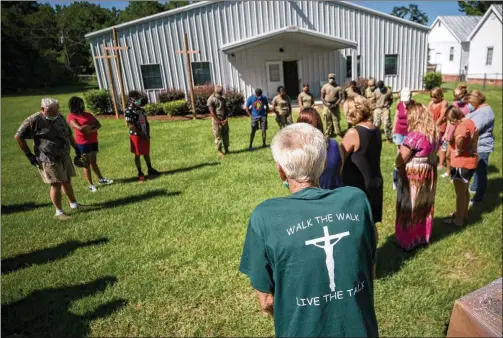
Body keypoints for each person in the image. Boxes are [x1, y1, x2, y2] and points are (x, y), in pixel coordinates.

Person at [239, 123, 378, 337]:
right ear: (323, 164)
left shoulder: (265, 216)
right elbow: (370, 270)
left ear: (281, 171)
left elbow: (266, 300)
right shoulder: (357, 201)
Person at [14, 98, 83, 220]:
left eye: (57, 110)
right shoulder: (34, 120)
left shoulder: (59, 116)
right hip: (48, 158)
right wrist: (29, 154)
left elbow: (68, 133)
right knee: (56, 183)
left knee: (66, 180)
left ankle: (74, 204)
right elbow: (18, 136)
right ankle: (59, 212)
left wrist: (76, 148)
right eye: (51, 111)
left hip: (64, 155)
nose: (55, 113)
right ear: (43, 109)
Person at [394, 103, 439, 251]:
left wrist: (398, 165)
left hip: (415, 174)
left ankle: (407, 240)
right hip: (429, 171)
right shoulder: (433, 133)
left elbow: (401, 157)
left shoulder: (414, 136)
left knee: (410, 206)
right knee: (423, 204)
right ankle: (422, 236)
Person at [340, 95, 383, 224]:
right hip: (375, 181)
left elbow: (339, 160)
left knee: (357, 224)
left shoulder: (353, 133)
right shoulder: (375, 129)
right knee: (371, 223)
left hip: (358, 185)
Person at [67, 96, 113, 192]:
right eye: (78, 104)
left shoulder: (87, 114)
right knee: (86, 164)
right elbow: (80, 129)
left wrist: (89, 128)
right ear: (73, 105)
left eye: (81, 103)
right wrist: (90, 127)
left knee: (93, 162)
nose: (81, 105)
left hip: (93, 141)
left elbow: (98, 124)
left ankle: (101, 179)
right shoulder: (71, 116)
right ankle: (91, 185)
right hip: (82, 143)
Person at [443, 106, 478, 227]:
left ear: (454, 117)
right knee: (465, 190)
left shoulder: (461, 126)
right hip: (471, 162)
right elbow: (476, 134)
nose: (450, 122)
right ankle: (464, 213)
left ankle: (458, 220)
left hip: (460, 163)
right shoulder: (469, 121)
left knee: (460, 193)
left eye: (450, 119)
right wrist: (472, 147)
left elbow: (459, 139)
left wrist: (459, 149)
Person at [297, 108, 344, 189]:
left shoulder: (333, 145)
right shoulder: (297, 151)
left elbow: (340, 170)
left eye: (316, 127)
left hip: (334, 194)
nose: (312, 131)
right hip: (314, 197)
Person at [466, 90, 494, 204]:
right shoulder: (481, 110)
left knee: (481, 172)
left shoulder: (483, 113)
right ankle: (474, 188)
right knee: (477, 170)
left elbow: (474, 129)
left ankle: (478, 197)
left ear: (476, 101)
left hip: (481, 146)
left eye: (471, 103)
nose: (469, 106)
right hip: (477, 144)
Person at [125, 90, 160, 182]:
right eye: (137, 97)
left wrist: (147, 134)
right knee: (137, 154)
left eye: (139, 97)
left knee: (146, 153)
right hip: (136, 136)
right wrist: (142, 134)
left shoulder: (141, 109)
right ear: (132, 99)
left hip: (144, 134)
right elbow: (131, 126)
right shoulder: (128, 110)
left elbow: (145, 121)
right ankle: (140, 173)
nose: (139, 99)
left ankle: (150, 169)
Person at [441, 85, 470, 179]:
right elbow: (449, 120)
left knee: (457, 155)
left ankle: (457, 175)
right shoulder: (454, 104)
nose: (458, 99)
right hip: (451, 133)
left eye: (459, 97)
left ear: (464, 95)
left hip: (459, 133)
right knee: (448, 155)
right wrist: (446, 133)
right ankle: (448, 172)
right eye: (456, 97)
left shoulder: (468, 107)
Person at [391, 87, 413, 190]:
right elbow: (396, 117)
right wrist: (394, 129)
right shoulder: (399, 104)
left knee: (409, 151)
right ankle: (398, 168)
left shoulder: (414, 105)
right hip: (399, 131)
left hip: (409, 131)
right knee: (399, 151)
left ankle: (407, 169)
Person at [207, 85, 230, 158]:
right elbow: (211, 111)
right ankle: (220, 151)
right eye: (221, 91)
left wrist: (226, 118)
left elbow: (226, 109)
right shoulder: (211, 99)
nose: (222, 92)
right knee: (218, 135)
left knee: (225, 134)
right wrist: (217, 121)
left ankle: (227, 149)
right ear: (217, 91)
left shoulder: (223, 98)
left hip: (224, 119)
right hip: (216, 120)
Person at [428, 88, 448, 170]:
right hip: (432, 125)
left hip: (440, 126)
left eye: (435, 97)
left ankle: (441, 164)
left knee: (440, 145)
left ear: (440, 95)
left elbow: (442, 116)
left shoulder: (444, 103)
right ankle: (433, 160)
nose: (433, 99)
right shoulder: (431, 102)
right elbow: (428, 113)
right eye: (432, 97)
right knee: (432, 144)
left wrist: (435, 125)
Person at [320, 73, 343, 137]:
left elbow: (340, 97)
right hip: (327, 106)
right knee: (327, 120)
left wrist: (335, 104)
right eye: (330, 78)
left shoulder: (338, 87)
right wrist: (326, 104)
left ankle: (338, 134)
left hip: (335, 106)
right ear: (328, 79)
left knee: (336, 120)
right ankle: (327, 133)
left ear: (334, 79)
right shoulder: (324, 86)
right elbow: (322, 97)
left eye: (332, 78)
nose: (331, 79)